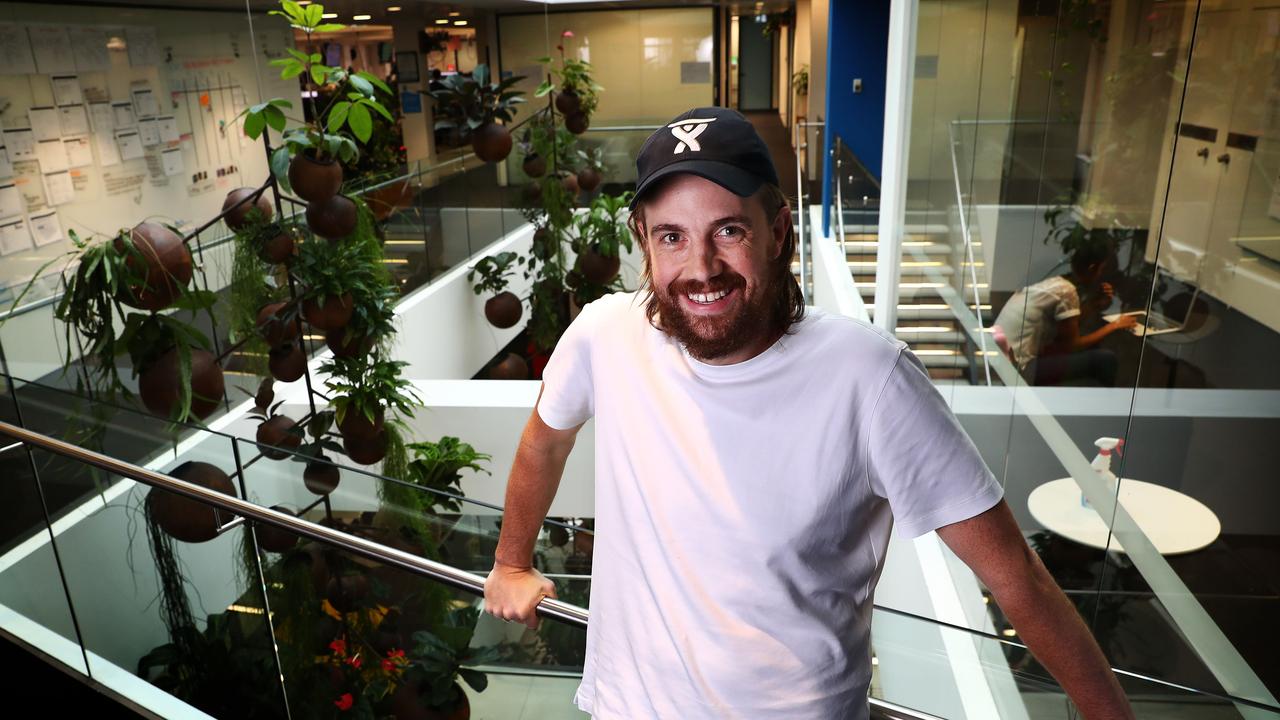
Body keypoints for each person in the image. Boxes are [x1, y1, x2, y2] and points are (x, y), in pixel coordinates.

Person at [485, 107, 1133, 719]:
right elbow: (544, 442)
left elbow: (1014, 575)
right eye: (672, 237)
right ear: (644, 245)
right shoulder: (606, 334)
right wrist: (511, 562)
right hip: (629, 704)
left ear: (779, 232)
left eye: (729, 230)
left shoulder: (868, 376)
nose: (700, 267)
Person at [993, 242, 1137, 386]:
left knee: (1092, 350)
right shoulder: (1067, 291)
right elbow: (1072, 345)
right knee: (1106, 360)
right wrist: (1114, 326)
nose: (1102, 275)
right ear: (1092, 268)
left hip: (1003, 359)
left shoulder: (1056, 283)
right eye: (1102, 269)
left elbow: (1066, 330)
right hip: (1020, 368)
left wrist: (1093, 305)